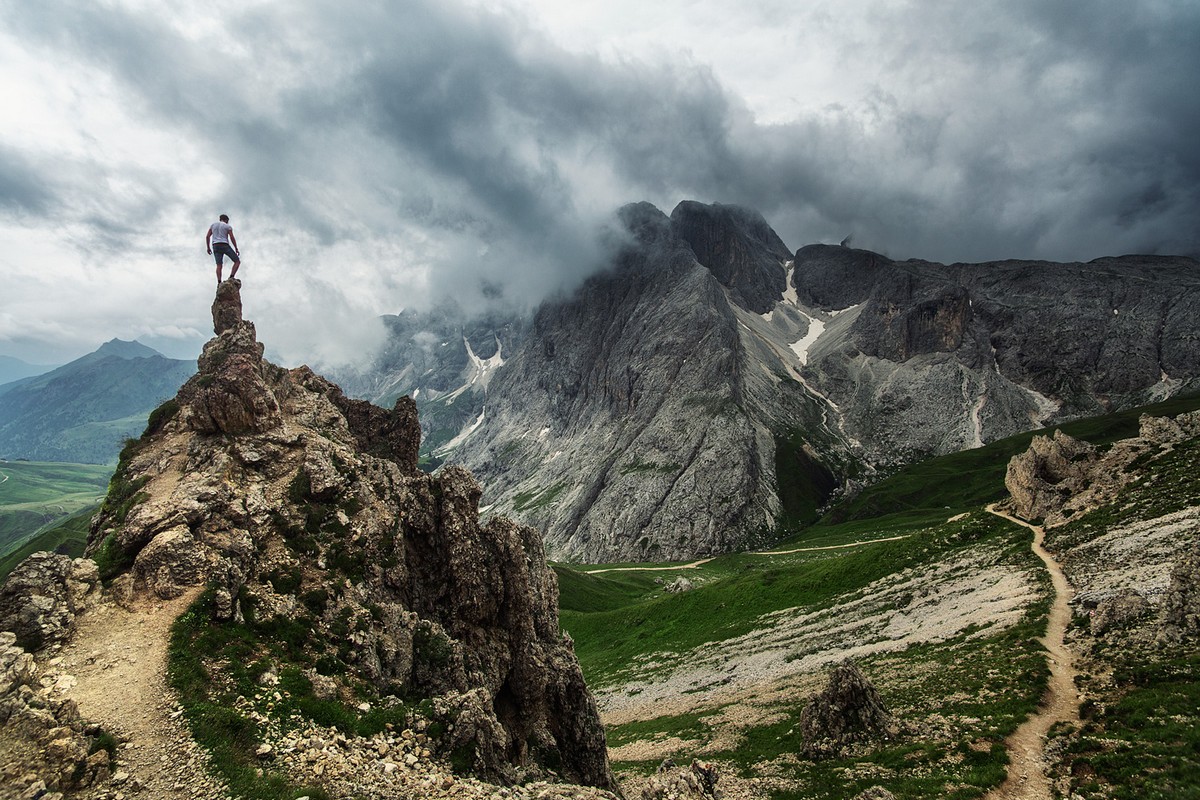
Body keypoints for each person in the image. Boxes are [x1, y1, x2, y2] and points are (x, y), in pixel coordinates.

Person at [205, 214, 241, 283]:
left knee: (219, 265)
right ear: (226, 220)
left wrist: (208, 247)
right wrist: (236, 248)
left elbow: (207, 236)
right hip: (224, 245)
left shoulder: (213, 225)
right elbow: (232, 237)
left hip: (215, 245)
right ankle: (231, 277)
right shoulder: (228, 226)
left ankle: (219, 282)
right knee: (237, 261)